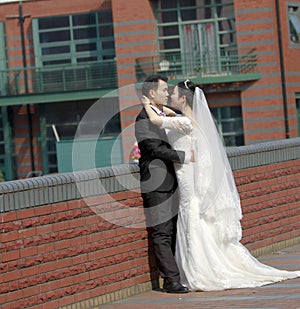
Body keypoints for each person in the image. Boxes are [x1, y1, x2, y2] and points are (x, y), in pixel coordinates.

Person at [141, 79, 300, 291]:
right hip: (186, 176)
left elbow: (155, 120)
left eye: (173, 94)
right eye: (166, 92)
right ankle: (195, 268)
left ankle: (198, 271)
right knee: (193, 215)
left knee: (191, 214)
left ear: (183, 99)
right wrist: (169, 112)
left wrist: (146, 104)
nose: (169, 96)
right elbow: (169, 119)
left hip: (187, 176)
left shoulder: (185, 122)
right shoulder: (188, 119)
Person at [134, 74, 190, 293]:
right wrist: (185, 156)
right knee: (162, 232)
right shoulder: (142, 120)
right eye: (164, 90)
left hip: (173, 181)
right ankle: (171, 280)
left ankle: (179, 275)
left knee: (176, 230)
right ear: (151, 93)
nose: (167, 94)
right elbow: (155, 150)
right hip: (156, 184)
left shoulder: (161, 113)